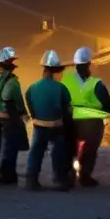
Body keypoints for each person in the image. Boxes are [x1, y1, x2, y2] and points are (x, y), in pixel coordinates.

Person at [62, 46, 110, 188]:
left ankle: (69, 177)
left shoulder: (66, 81)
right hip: (91, 124)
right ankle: (85, 176)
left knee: (69, 150)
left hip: (71, 122)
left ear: (75, 65)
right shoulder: (97, 84)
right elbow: (109, 108)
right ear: (89, 64)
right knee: (90, 151)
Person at [26, 50, 73, 191]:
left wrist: (35, 116)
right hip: (57, 126)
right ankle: (59, 180)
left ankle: (31, 180)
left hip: (39, 125)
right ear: (54, 71)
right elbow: (67, 110)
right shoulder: (61, 88)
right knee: (58, 152)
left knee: (36, 152)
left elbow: (30, 104)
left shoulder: (32, 87)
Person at [0, 47, 28, 186]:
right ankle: (5, 176)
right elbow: (17, 100)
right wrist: (23, 113)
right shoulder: (12, 81)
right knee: (9, 147)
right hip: (6, 118)